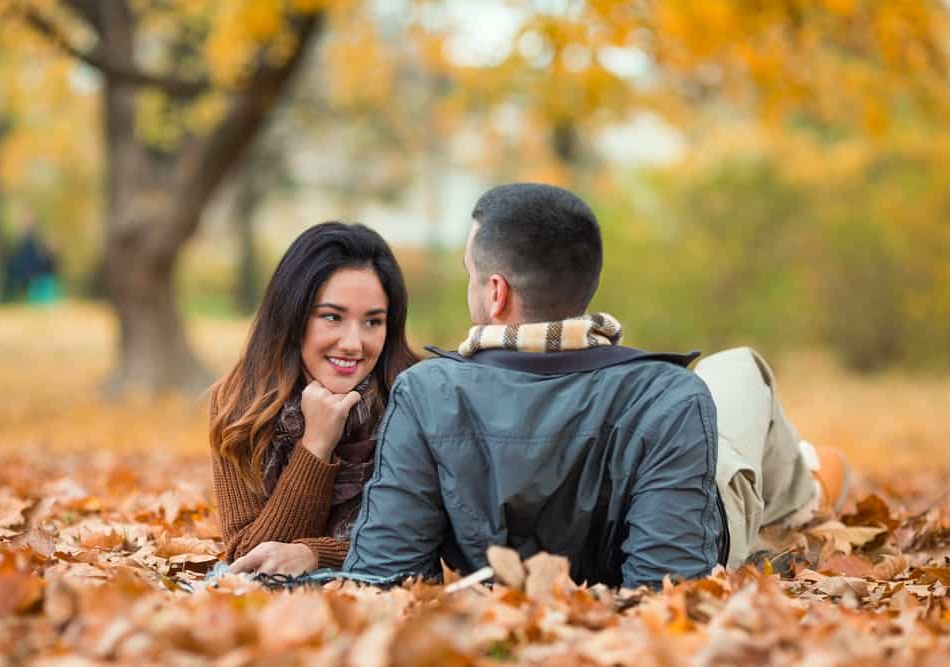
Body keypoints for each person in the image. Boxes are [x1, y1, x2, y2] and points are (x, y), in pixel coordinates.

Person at [343, 183, 849, 589]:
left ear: (495, 292)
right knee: (739, 368)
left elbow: (385, 573)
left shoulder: (426, 392)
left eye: (471, 275)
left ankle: (802, 486)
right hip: (700, 505)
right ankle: (804, 494)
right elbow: (667, 585)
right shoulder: (670, 395)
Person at [209, 222, 417, 575]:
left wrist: (315, 553)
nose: (353, 343)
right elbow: (247, 556)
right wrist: (316, 445)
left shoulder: (416, 400)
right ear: (293, 317)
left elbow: (415, 542)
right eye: (332, 317)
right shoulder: (240, 402)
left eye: (372, 322)